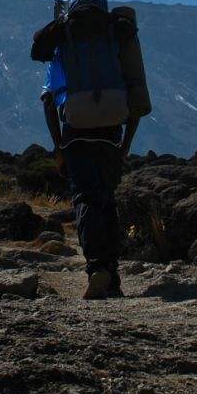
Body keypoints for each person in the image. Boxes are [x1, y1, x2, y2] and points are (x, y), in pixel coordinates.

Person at [36, 16, 141, 300]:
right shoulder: (113, 50)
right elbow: (136, 96)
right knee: (107, 201)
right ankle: (113, 278)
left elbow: (49, 102)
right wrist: (125, 145)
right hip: (111, 136)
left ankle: (97, 268)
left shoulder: (63, 54)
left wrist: (58, 147)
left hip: (76, 136)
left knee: (86, 200)